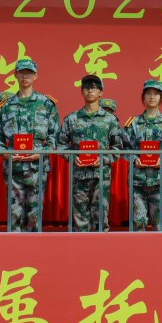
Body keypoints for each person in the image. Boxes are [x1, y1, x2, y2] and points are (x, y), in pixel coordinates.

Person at [0, 59, 60, 232]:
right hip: (13, 165)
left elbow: (54, 135)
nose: (25, 76)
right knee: (13, 213)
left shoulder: (46, 104)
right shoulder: (6, 106)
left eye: (29, 73)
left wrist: (42, 153)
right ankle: (14, 246)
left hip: (37, 165)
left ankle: (34, 246)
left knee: (34, 213)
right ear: (15, 75)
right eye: (21, 72)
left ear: (35, 76)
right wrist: (5, 153)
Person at [57, 74, 122, 232]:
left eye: (94, 88)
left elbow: (118, 147)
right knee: (79, 220)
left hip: (101, 176)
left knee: (100, 219)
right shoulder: (72, 119)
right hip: (79, 176)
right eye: (86, 88)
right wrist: (73, 158)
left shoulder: (110, 120)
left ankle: (101, 247)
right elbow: (60, 145)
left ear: (101, 93)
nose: (90, 90)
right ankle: (79, 247)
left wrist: (103, 159)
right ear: (82, 91)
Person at [122, 80, 162, 231]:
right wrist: (134, 159)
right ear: (143, 96)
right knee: (139, 223)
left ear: (161, 97)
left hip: (160, 179)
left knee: (159, 224)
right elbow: (123, 146)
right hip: (137, 179)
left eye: (156, 94)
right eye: (148, 93)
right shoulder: (133, 123)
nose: (152, 97)